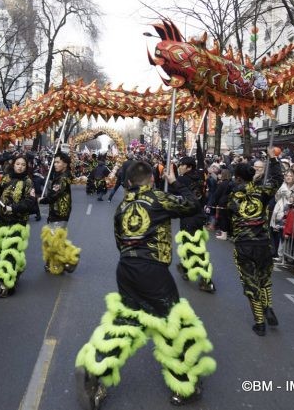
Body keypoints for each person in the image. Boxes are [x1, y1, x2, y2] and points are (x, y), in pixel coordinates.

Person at [74, 161, 215, 409]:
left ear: (128, 182)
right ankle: (187, 384)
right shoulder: (158, 198)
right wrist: (175, 182)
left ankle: (95, 368)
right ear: (151, 179)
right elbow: (193, 206)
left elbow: (120, 241)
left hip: (126, 268)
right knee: (175, 325)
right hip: (152, 271)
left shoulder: (123, 205)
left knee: (127, 321)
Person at [227, 148, 283, 336]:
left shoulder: (233, 196)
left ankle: (259, 323)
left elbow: (230, 213)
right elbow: (277, 180)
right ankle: (268, 306)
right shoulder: (262, 192)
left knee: (251, 284)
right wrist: (273, 159)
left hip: (244, 246)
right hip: (263, 243)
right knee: (264, 280)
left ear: (238, 178)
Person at [0, 154, 37, 297]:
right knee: (4, 250)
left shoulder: (28, 182)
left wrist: (13, 208)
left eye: (23, 164)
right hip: (3, 221)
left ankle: (6, 283)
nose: (20, 167)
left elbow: (30, 202)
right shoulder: (7, 177)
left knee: (10, 251)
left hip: (18, 222)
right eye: (17, 164)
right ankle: (17, 270)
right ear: (13, 165)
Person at [170, 156, 216, 293]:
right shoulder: (201, 175)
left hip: (189, 217)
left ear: (189, 167)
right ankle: (185, 267)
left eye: (182, 165)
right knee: (189, 244)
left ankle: (207, 280)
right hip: (199, 216)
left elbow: (172, 193)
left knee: (195, 247)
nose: (180, 167)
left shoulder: (182, 179)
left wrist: (173, 181)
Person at [38, 151, 80, 275]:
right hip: (56, 212)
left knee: (54, 240)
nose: (55, 164)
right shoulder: (61, 176)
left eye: (58, 162)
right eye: (54, 162)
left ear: (65, 164)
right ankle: (53, 262)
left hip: (59, 213)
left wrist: (42, 200)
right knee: (51, 238)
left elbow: (54, 195)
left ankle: (73, 256)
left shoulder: (62, 178)